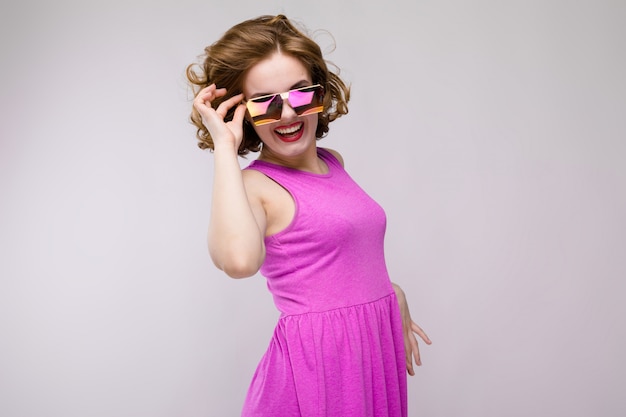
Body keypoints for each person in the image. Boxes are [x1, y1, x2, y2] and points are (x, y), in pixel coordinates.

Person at [186, 14, 431, 417]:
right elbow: (238, 261)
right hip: (317, 369)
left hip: (366, 355)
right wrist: (225, 148)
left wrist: (393, 293)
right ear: (242, 110)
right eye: (265, 102)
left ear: (320, 93)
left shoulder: (333, 162)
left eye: (300, 94)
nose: (286, 115)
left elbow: (343, 259)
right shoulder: (255, 186)